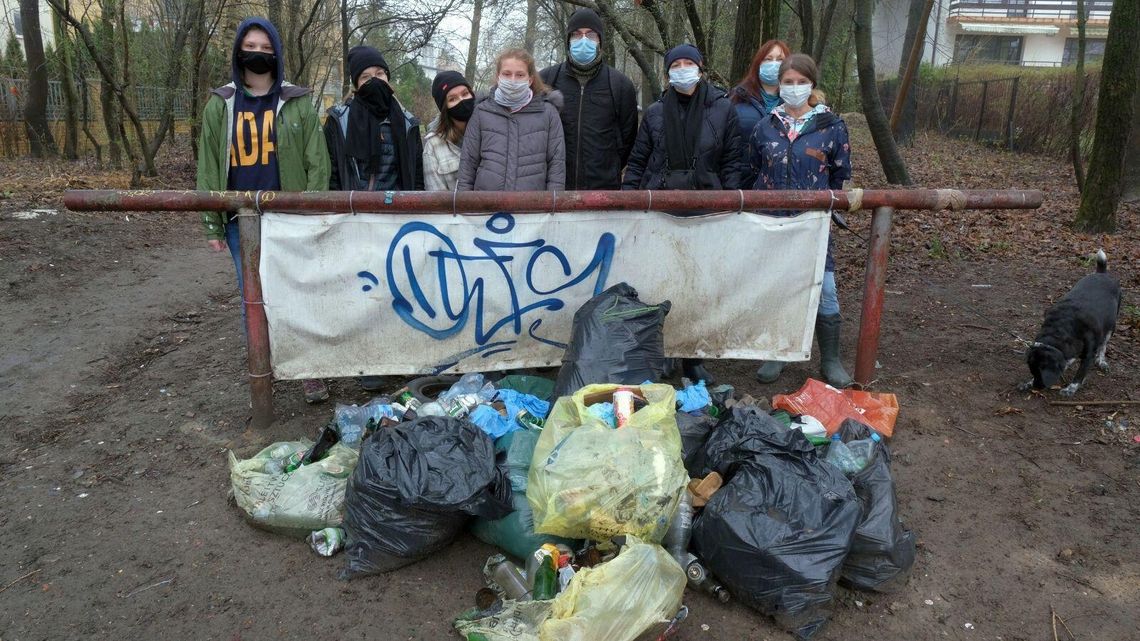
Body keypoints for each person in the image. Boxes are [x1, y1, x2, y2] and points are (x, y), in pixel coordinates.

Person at [196, 17, 331, 403]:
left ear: (277, 54)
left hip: (288, 218)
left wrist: (314, 210)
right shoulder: (220, 104)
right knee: (253, 297)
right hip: (242, 221)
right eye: (250, 47)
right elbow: (207, 165)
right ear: (239, 52)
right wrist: (212, 224)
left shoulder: (297, 102)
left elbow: (317, 161)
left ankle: (307, 369)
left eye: (265, 48)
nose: (257, 54)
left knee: (298, 292)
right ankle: (263, 369)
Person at [622, 44, 745, 385]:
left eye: (688, 63)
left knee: (699, 284)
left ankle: (693, 355)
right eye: (675, 64)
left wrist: (730, 202)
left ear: (701, 68)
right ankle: (661, 352)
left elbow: (733, 160)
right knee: (659, 283)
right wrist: (628, 201)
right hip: (661, 209)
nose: (682, 69)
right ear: (667, 73)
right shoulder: (657, 112)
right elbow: (638, 160)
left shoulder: (723, 109)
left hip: (706, 209)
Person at [749, 53, 854, 388]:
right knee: (778, 286)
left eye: (800, 82)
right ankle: (778, 351)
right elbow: (753, 170)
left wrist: (825, 205)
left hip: (814, 224)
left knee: (825, 289)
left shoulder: (832, 127)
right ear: (779, 85)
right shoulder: (765, 126)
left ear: (811, 85)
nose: (794, 88)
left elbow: (841, 174)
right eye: (788, 82)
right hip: (774, 223)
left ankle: (832, 359)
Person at [538, 8, 639, 190]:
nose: (583, 40)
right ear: (568, 40)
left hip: (603, 192)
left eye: (591, 35)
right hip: (554, 189)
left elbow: (627, 140)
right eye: (576, 34)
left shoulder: (620, 85)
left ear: (600, 41)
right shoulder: (546, 80)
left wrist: (608, 168)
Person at [457, 48, 566, 191]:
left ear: (530, 79)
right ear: (498, 77)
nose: (513, 80)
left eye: (520, 75)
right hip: (485, 206)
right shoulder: (481, 112)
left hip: (532, 208)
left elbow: (556, 165)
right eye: (507, 74)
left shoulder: (548, 113)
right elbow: (468, 163)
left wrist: (553, 206)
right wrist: (466, 205)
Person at [324, 46, 424, 192]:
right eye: (366, 77)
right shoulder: (339, 122)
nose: (375, 80)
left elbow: (417, 177)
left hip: (395, 209)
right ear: (356, 84)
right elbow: (333, 177)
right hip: (353, 210)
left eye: (379, 73)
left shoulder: (408, 123)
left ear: (387, 77)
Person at [423, 70, 475, 191]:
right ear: (444, 108)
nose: (462, 100)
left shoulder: (491, 131)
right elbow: (437, 199)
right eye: (452, 99)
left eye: (465, 93)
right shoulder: (434, 146)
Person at [730, 39, 791, 141]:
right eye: (768, 59)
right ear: (758, 64)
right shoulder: (738, 97)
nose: (774, 64)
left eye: (780, 60)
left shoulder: (794, 102)